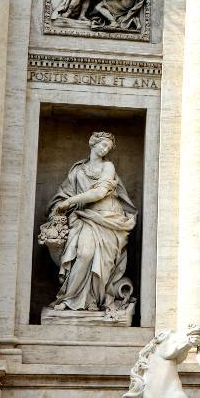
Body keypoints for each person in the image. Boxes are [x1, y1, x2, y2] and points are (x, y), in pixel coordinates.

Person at [44, 131, 137, 314]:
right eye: (103, 145)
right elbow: (63, 194)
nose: (105, 149)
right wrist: (60, 205)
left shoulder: (108, 166)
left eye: (108, 148)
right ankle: (70, 298)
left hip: (110, 220)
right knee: (85, 254)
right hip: (85, 217)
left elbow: (100, 193)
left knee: (103, 261)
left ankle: (94, 300)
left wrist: (69, 202)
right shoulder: (77, 171)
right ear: (92, 143)